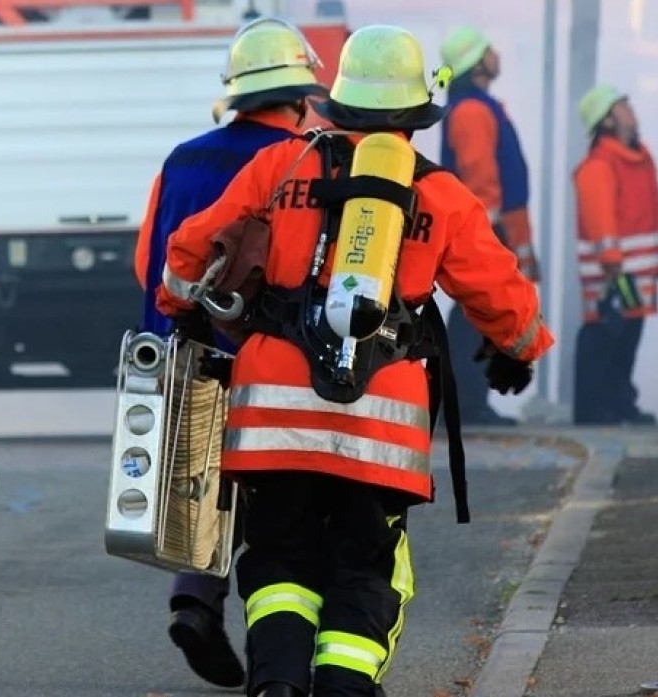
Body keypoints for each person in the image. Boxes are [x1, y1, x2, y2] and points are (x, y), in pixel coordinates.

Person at [156, 24, 554, 697]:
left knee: (279, 555)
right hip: (382, 419)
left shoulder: (280, 166)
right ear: (413, 112)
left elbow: (193, 245)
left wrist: (178, 303)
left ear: (337, 102)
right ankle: (344, 683)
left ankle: (278, 680)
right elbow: (501, 293)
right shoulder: (441, 194)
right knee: (367, 563)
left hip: (273, 409)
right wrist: (521, 351)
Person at [133, 16, 327, 689]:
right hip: (274, 356)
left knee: (206, 484)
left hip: (183, 345)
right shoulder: (304, 162)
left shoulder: (183, 158)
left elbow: (148, 265)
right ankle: (286, 649)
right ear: (301, 95)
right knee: (277, 502)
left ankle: (194, 599)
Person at [437, 25, 542, 426]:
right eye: (489, 50)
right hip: (487, 231)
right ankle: (466, 403)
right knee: (474, 318)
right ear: (477, 62)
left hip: (494, 229)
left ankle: (470, 401)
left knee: (479, 316)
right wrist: (492, 238)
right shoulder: (472, 110)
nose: (496, 54)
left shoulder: (476, 106)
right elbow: (480, 179)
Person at [571, 84, 658, 425]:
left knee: (627, 337)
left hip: (635, 271)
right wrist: (613, 265)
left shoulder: (639, 160)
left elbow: (653, 211)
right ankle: (594, 408)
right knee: (604, 335)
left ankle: (618, 403)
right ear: (607, 120)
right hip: (613, 274)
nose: (631, 110)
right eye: (622, 105)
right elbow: (601, 221)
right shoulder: (599, 166)